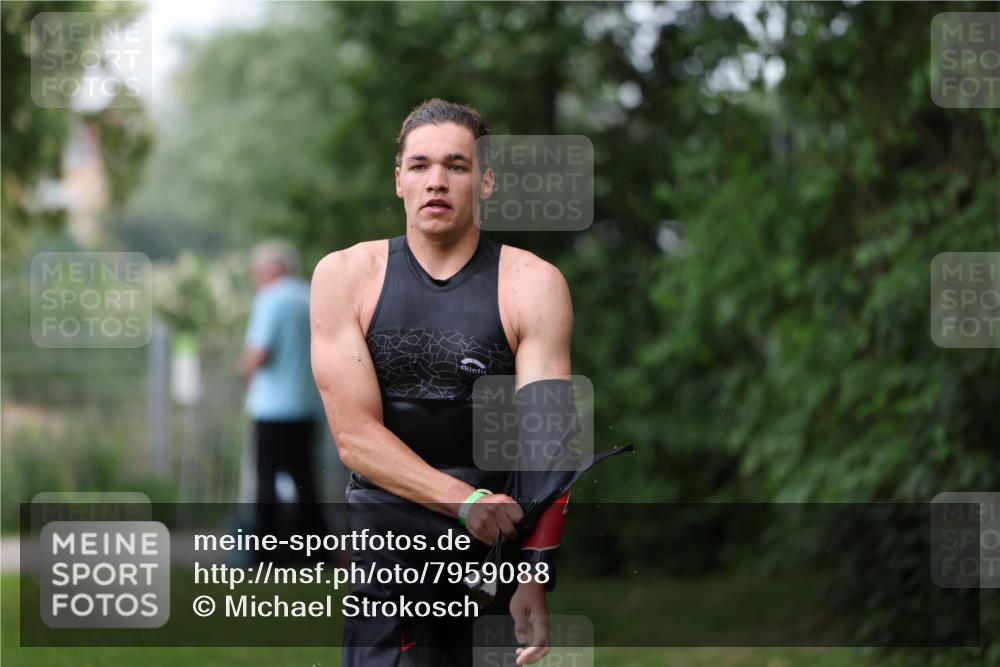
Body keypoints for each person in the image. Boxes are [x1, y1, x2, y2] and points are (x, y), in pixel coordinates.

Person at [311, 98, 573, 666]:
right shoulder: (346, 276)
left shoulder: (533, 284)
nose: (438, 181)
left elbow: (549, 447)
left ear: (486, 182)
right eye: (422, 165)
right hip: (389, 545)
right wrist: (463, 499)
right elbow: (355, 436)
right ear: (399, 180)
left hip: (492, 548)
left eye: (457, 166)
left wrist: (535, 574)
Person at [244, 240, 329, 560]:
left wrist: (244, 370)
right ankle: (316, 549)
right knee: (306, 479)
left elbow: (259, 352)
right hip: (307, 406)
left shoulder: (270, 298)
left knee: (266, 481)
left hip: (271, 407)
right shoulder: (310, 296)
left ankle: (266, 551)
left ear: (271, 269)